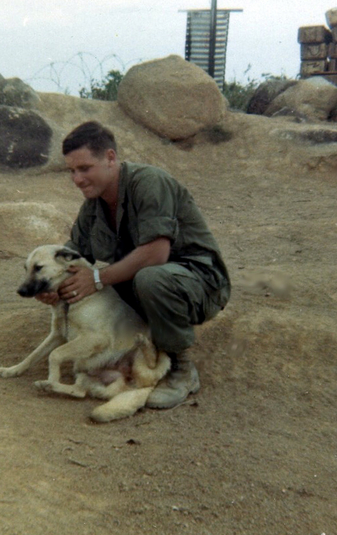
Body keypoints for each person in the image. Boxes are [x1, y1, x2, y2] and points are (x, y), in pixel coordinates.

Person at [37, 121, 230, 409]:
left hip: (198, 283)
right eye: (72, 171)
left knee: (149, 279)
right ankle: (134, 354)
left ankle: (182, 369)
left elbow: (156, 254)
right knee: (130, 282)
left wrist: (98, 278)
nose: (77, 179)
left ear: (111, 158)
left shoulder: (149, 183)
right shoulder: (93, 205)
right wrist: (52, 287)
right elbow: (72, 257)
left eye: (85, 168)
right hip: (149, 285)